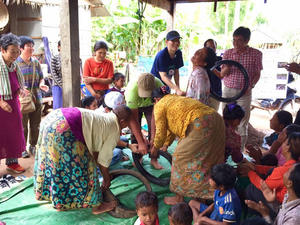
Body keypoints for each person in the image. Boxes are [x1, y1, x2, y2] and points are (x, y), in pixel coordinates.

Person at [34, 105, 144, 214]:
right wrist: (106, 179)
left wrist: (128, 146)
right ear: (123, 121)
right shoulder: (114, 128)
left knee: (57, 164)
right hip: (65, 127)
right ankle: (97, 206)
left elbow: (100, 142)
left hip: (53, 119)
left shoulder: (106, 117)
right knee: (88, 167)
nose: (127, 127)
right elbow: (103, 162)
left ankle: (59, 201)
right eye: (127, 124)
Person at [150, 89, 225, 205]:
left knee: (180, 158)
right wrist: (165, 145)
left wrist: (155, 148)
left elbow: (160, 132)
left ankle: (178, 197)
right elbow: (170, 128)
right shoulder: (174, 99)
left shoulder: (159, 105)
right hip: (216, 119)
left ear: (156, 99)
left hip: (201, 123)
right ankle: (206, 195)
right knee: (207, 159)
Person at [221, 26, 263, 151]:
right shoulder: (228, 53)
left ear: (247, 40)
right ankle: (224, 147)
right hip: (228, 90)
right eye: (234, 40)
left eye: (239, 40)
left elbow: (257, 74)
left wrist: (251, 86)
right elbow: (222, 73)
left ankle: (239, 151)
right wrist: (226, 68)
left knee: (242, 122)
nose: (235, 43)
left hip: (245, 92)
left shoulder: (256, 54)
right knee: (225, 119)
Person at [239, 130, 300, 207]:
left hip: (279, 204)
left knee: (251, 189)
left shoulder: (284, 171)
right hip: (288, 201)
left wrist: (250, 172)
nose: (282, 144)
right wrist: (256, 167)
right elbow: (274, 169)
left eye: (284, 142)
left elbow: (264, 186)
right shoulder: (295, 165)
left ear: (287, 147)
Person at [16, 36, 48, 158]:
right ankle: (22, 148)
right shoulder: (16, 63)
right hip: (23, 100)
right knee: (22, 126)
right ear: (21, 48)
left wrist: (41, 84)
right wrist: (20, 89)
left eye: (32, 46)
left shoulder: (35, 62)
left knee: (36, 125)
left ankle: (33, 146)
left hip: (37, 98)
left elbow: (41, 77)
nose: (31, 48)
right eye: (28, 46)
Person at [0, 33, 27, 173]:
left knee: (14, 133)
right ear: (2, 50)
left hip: (13, 103)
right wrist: (1, 102)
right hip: (1, 103)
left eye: (17, 51)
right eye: (12, 51)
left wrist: (21, 90)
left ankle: (12, 162)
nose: (15, 54)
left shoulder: (14, 65)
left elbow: (18, 84)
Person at [125, 73, 164, 169]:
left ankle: (154, 158)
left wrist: (153, 138)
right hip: (136, 106)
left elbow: (156, 115)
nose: (144, 96)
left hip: (151, 106)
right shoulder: (131, 91)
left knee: (156, 131)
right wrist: (141, 141)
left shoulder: (159, 85)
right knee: (135, 133)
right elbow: (133, 121)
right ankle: (138, 157)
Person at [150, 30, 185, 96]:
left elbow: (176, 71)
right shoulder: (161, 55)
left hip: (167, 84)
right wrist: (176, 89)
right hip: (156, 84)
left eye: (178, 40)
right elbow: (163, 76)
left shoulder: (178, 53)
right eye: (173, 41)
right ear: (166, 42)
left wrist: (178, 87)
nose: (176, 43)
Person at [203, 39, 222, 110]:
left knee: (214, 115)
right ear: (205, 48)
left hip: (216, 94)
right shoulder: (201, 60)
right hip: (203, 94)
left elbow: (222, 75)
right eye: (209, 47)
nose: (211, 49)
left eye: (213, 47)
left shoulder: (220, 60)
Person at [50, 40, 63, 109]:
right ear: (59, 47)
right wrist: (62, 85)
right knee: (58, 108)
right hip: (58, 86)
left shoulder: (73, 58)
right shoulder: (54, 58)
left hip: (71, 87)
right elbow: (54, 74)